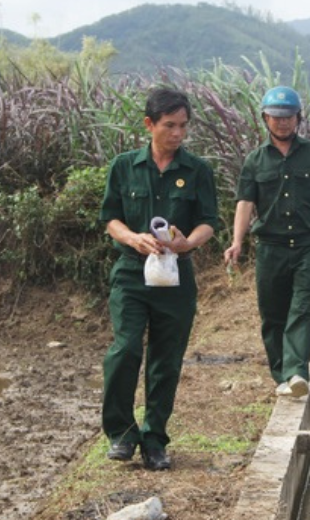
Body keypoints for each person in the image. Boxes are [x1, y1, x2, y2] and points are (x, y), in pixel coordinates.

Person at [100, 87, 218, 470]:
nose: (178, 134)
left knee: (166, 360)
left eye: (184, 126)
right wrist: (133, 238)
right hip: (132, 276)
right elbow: (110, 219)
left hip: (175, 278)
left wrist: (186, 244)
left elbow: (208, 223)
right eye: (170, 125)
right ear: (149, 124)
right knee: (126, 349)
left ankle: (155, 440)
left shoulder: (197, 170)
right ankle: (120, 433)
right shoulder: (124, 166)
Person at [224, 86, 310, 397]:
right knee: (273, 312)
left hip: (309, 243)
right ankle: (281, 375)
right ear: (265, 118)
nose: (282, 123)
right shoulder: (255, 160)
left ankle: (296, 371)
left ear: (298, 119)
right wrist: (237, 241)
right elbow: (244, 204)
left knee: (304, 307)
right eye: (276, 117)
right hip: (271, 246)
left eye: (289, 117)